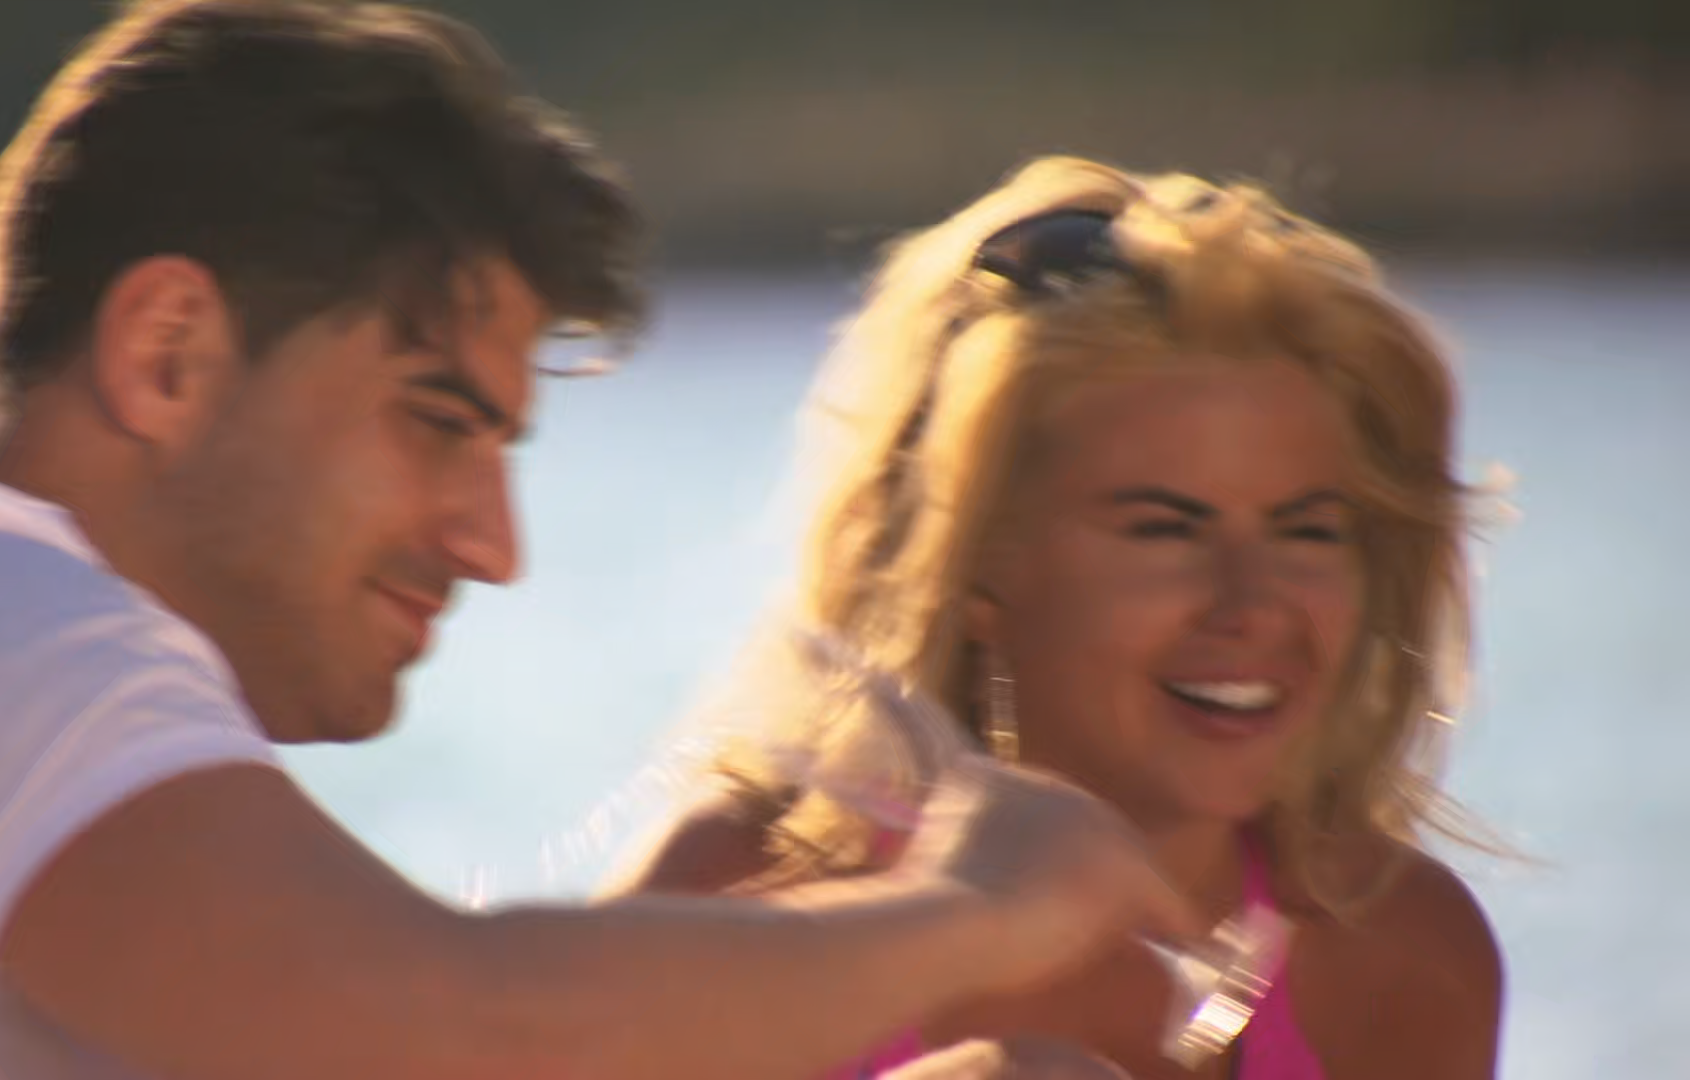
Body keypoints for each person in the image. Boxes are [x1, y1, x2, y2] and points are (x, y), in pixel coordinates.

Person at [0, 7, 1204, 1080]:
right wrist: (969, 909)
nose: (492, 544)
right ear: (168, 352)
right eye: (436, 421)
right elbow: (456, 1023)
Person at [615, 156, 1508, 1079]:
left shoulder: (1402, 955)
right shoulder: (740, 900)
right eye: (1165, 528)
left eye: (1308, 531)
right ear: (977, 566)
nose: (1254, 605)